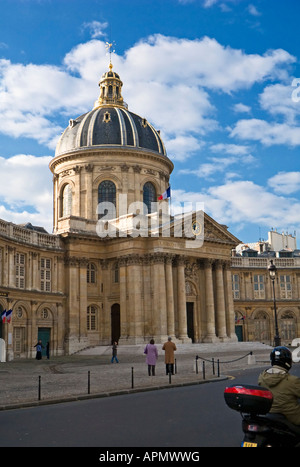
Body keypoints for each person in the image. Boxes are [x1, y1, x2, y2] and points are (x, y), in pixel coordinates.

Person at [258, 346, 300, 425]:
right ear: (288, 361)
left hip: (269, 413)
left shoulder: (262, 377)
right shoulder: (293, 381)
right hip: (291, 417)